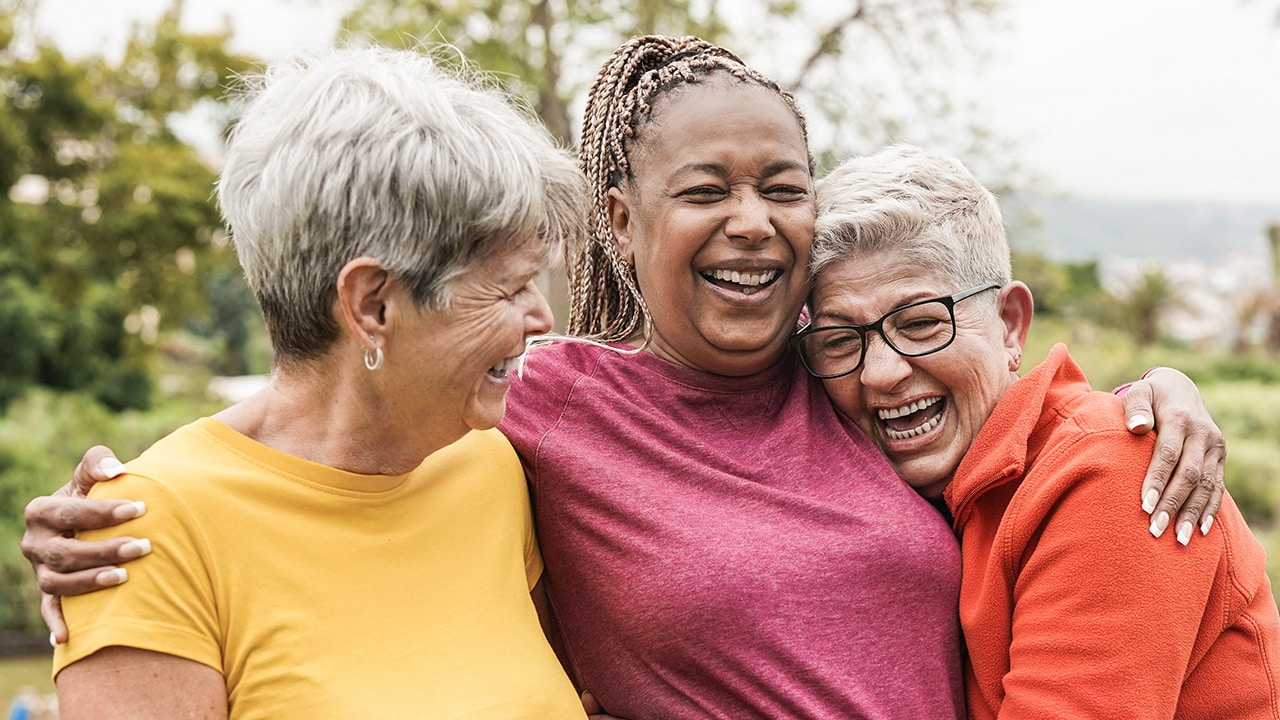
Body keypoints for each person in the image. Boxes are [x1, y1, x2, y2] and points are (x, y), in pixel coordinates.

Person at [24, 36, 1227, 719]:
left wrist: (1154, 397)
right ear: (618, 217)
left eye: (782, 189)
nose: (752, 224)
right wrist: (126, 508)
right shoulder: (536, 408)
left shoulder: (846, 375)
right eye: (704, 190)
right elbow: (325, 415)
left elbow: (990, 396)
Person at [46, 46, 590, 719]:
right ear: (372, 305)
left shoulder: (491, 463)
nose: (541, 317)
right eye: (509, 287)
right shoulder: (145, 531)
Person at [798, 143, 1280, 719]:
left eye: (923, 323)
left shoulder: (1113, 475)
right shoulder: (926, 479)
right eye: (840, 340)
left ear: (1010, 325)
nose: (879, 372)